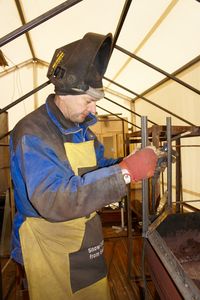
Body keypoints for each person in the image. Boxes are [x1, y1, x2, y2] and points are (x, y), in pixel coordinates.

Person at [9, 32, 158, 300]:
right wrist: (125, 173)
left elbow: (99, 168)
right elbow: (53, 199)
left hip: (85, 237)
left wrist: (131, 165)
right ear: (64, 93)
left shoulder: (82, 131)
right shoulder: (32, 133)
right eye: (88, 101)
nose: (93, 111)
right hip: (49, 240)